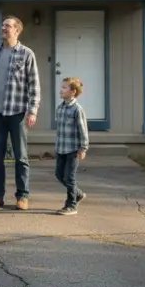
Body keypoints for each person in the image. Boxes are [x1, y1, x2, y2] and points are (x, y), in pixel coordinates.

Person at [0, 16, 41, 211]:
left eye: (8, 26)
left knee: (21, 156)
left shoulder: (26, 54)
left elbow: (34, 86)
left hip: (17, 113)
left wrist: (32, 111)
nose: (4, 28)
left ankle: (22, 195)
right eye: (2, 25)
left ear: (17, 30)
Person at [54, 77, 89, 216]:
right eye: (61, 87)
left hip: (73, 149)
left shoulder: (77, 109)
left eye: (64, 88)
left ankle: (71, 205)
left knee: (69, 177)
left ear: (73, 91)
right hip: (61, 148)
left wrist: (83, 148)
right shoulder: (60, 108)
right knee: (59, 174)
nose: (61, 90)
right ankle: (78, 194)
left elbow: (83, 130)